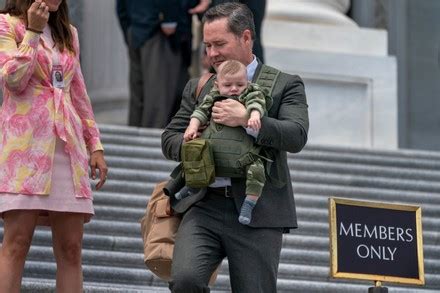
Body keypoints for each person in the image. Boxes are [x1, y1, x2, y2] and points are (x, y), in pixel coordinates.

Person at [161, 2, 309, 292]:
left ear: (245, 38)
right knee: (185, 281)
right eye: (207, 45)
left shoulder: (285, 85)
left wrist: (247, 121)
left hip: (259, 210)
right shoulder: (200, 86)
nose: (212, 54)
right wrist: (196, 139)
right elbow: (169, 139)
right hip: (204, 204)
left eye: (219, 44)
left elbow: (296, 135)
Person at [0, 0, 108, 292]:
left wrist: (94, 144)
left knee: (71, 248)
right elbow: (13, 80)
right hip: (25, 148)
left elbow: (78, 90)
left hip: (67, 146)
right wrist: (33, 33)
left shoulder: (68, 32)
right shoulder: (7, 24)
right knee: (17, 243)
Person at [182, 59, 271, 225]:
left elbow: (257, 103)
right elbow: (200, 112)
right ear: (217, 84)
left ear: (248, 83)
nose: (234, 89)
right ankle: (190, 185)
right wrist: (192, 128)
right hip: (214, 150)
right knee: (195, 153)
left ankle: (249, 203)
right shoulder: (213, 96)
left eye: (240, 84)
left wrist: (252, 116)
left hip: (244, 153)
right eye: (228, 85)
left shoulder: (250, 93)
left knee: (257, 171)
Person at [116, 0, 202, 128]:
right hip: (158, 29)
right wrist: (169, 19)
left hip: (137, 26)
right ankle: (149, 145)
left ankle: (136, 143)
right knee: (157, 99)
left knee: (140, 97)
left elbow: (121, 9)